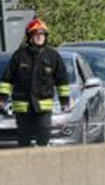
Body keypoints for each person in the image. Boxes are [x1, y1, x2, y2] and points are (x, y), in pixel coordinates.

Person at [0, 18, 69, 147]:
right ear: (30, 37)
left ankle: (42, 162)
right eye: (36, 34)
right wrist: (2, 99)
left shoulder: (52, 56)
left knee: (44, 134)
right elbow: (7, 80)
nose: (39, 37)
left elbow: (62, 81)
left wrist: (65, 102)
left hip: (43, 106)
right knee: (23, 139)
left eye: (42, 34)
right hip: (23, 106)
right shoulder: (19, 56)